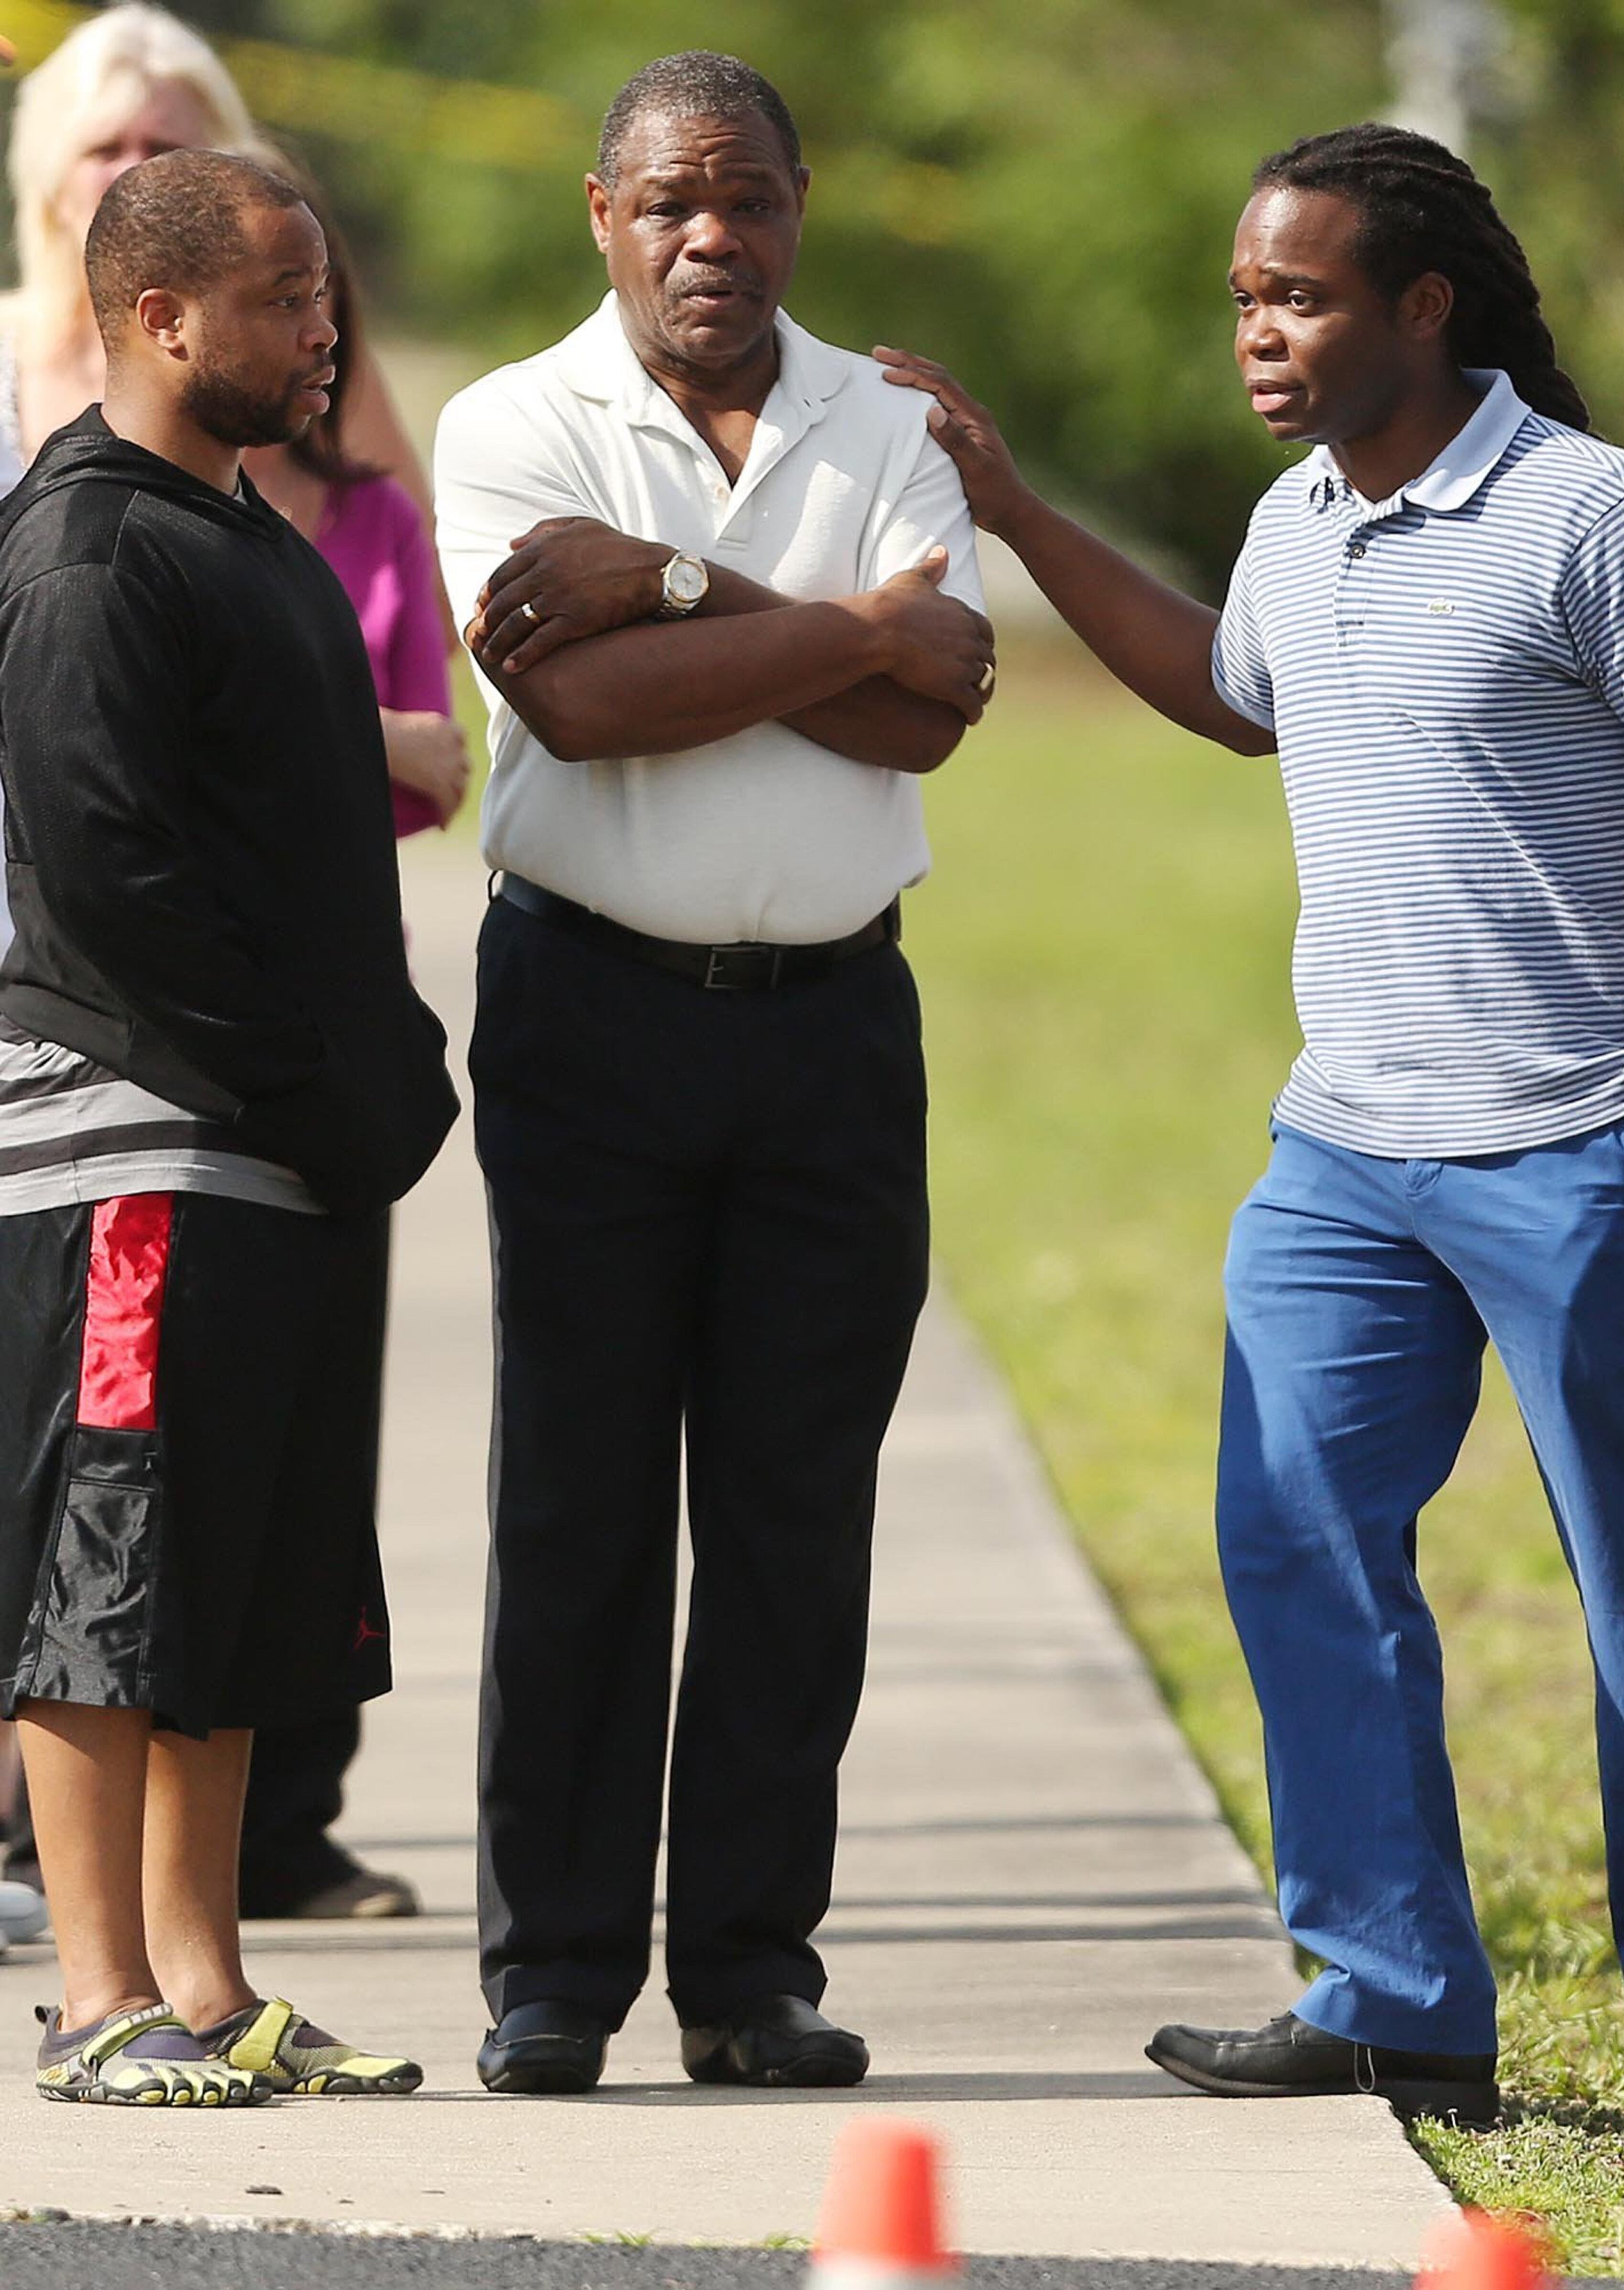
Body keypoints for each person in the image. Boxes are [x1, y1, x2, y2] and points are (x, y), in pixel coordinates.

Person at [877, 123, 1624, 2143]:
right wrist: (1015, 506)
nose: (1259, 337)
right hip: (1346, 1155)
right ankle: (1395, 1998)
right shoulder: (1305, 523)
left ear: (1425, 306)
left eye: (1294, 299)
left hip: (1576, 1145)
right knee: (1296, 1540)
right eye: (1243, 302)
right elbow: (1228, 691)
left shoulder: (1601, 514)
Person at [434, 50, 994, 2096]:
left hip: (837, 1025)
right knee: (579, 1498)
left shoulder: (896, 418)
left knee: (791, 1510)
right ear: (602, 211)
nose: (709, 236)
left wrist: (674, 588)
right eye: (669, 199)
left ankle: (750, 1972)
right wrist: (844, 636)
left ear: (800, 204)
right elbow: (576, 710)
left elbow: (935, 712)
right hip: (590, 1011)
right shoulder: (510, 420)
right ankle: (556, 1973)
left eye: (745, 196)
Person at [0, 147, 457, 2103]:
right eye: (281, 295)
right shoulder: (91, 551)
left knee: (248, 1569)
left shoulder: (255, 536)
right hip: (136, 1150)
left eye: (326, 290)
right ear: (159, 313)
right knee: (114, 1558)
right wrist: (310, 1080)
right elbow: (111, 883)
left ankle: (205, 1983)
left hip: (279, 1149)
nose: (322, 327)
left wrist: (370, 1080)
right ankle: (95, 1994)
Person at [230, 153, 469, 1926]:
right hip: (160, 1044)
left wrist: (285, 735)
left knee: (320, 1428)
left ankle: (291, 1819)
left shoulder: (368, 510)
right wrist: (348, 732)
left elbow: (443, 761)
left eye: (328, 305)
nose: (315, 335)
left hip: (336, 1025)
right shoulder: (115, 519)